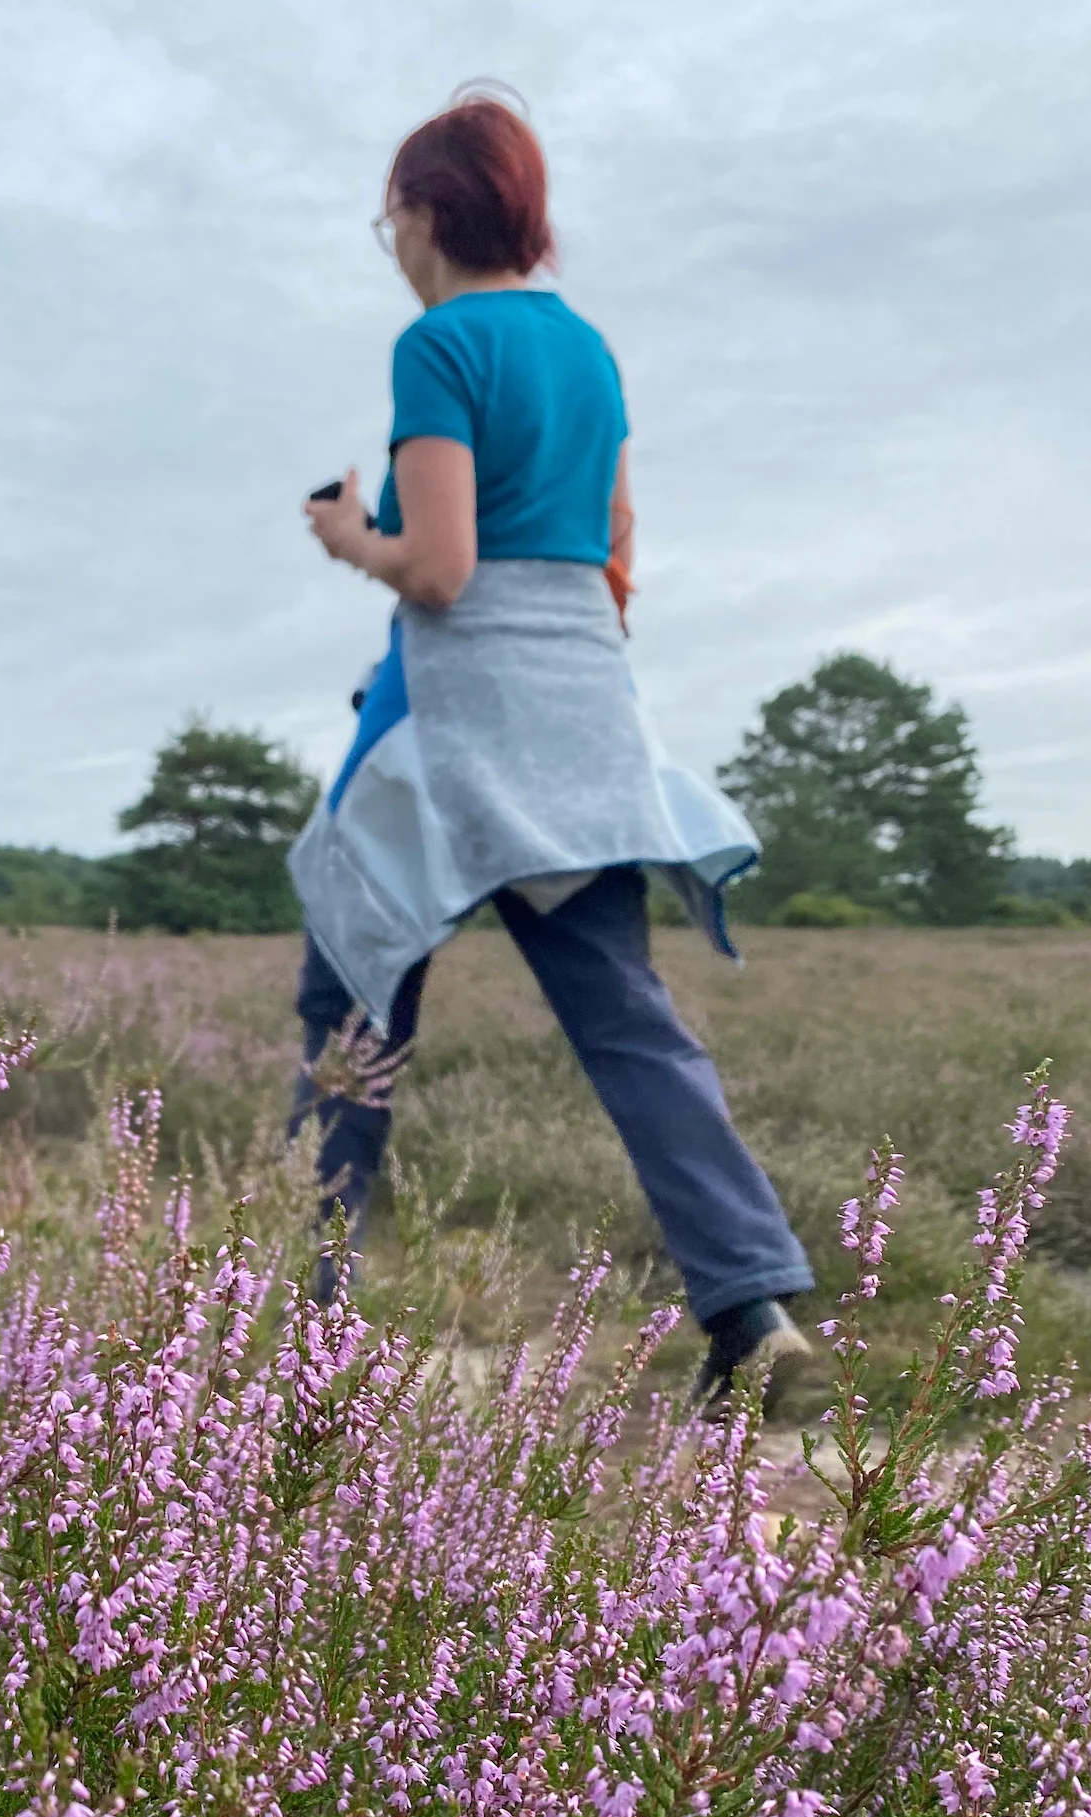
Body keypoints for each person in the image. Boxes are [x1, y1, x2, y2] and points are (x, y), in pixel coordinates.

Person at [289, 88, 812, 1411]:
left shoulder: (440, 342)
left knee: (349, 998)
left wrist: (351, 536)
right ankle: (752, 1314)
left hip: (447, 734)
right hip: (579, 724)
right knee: (624, 1020)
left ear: (421, 211)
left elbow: (444, 568)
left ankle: (302, 1332)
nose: (389, 242)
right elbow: (616, 536)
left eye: (385, 219)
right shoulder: (583, 349)